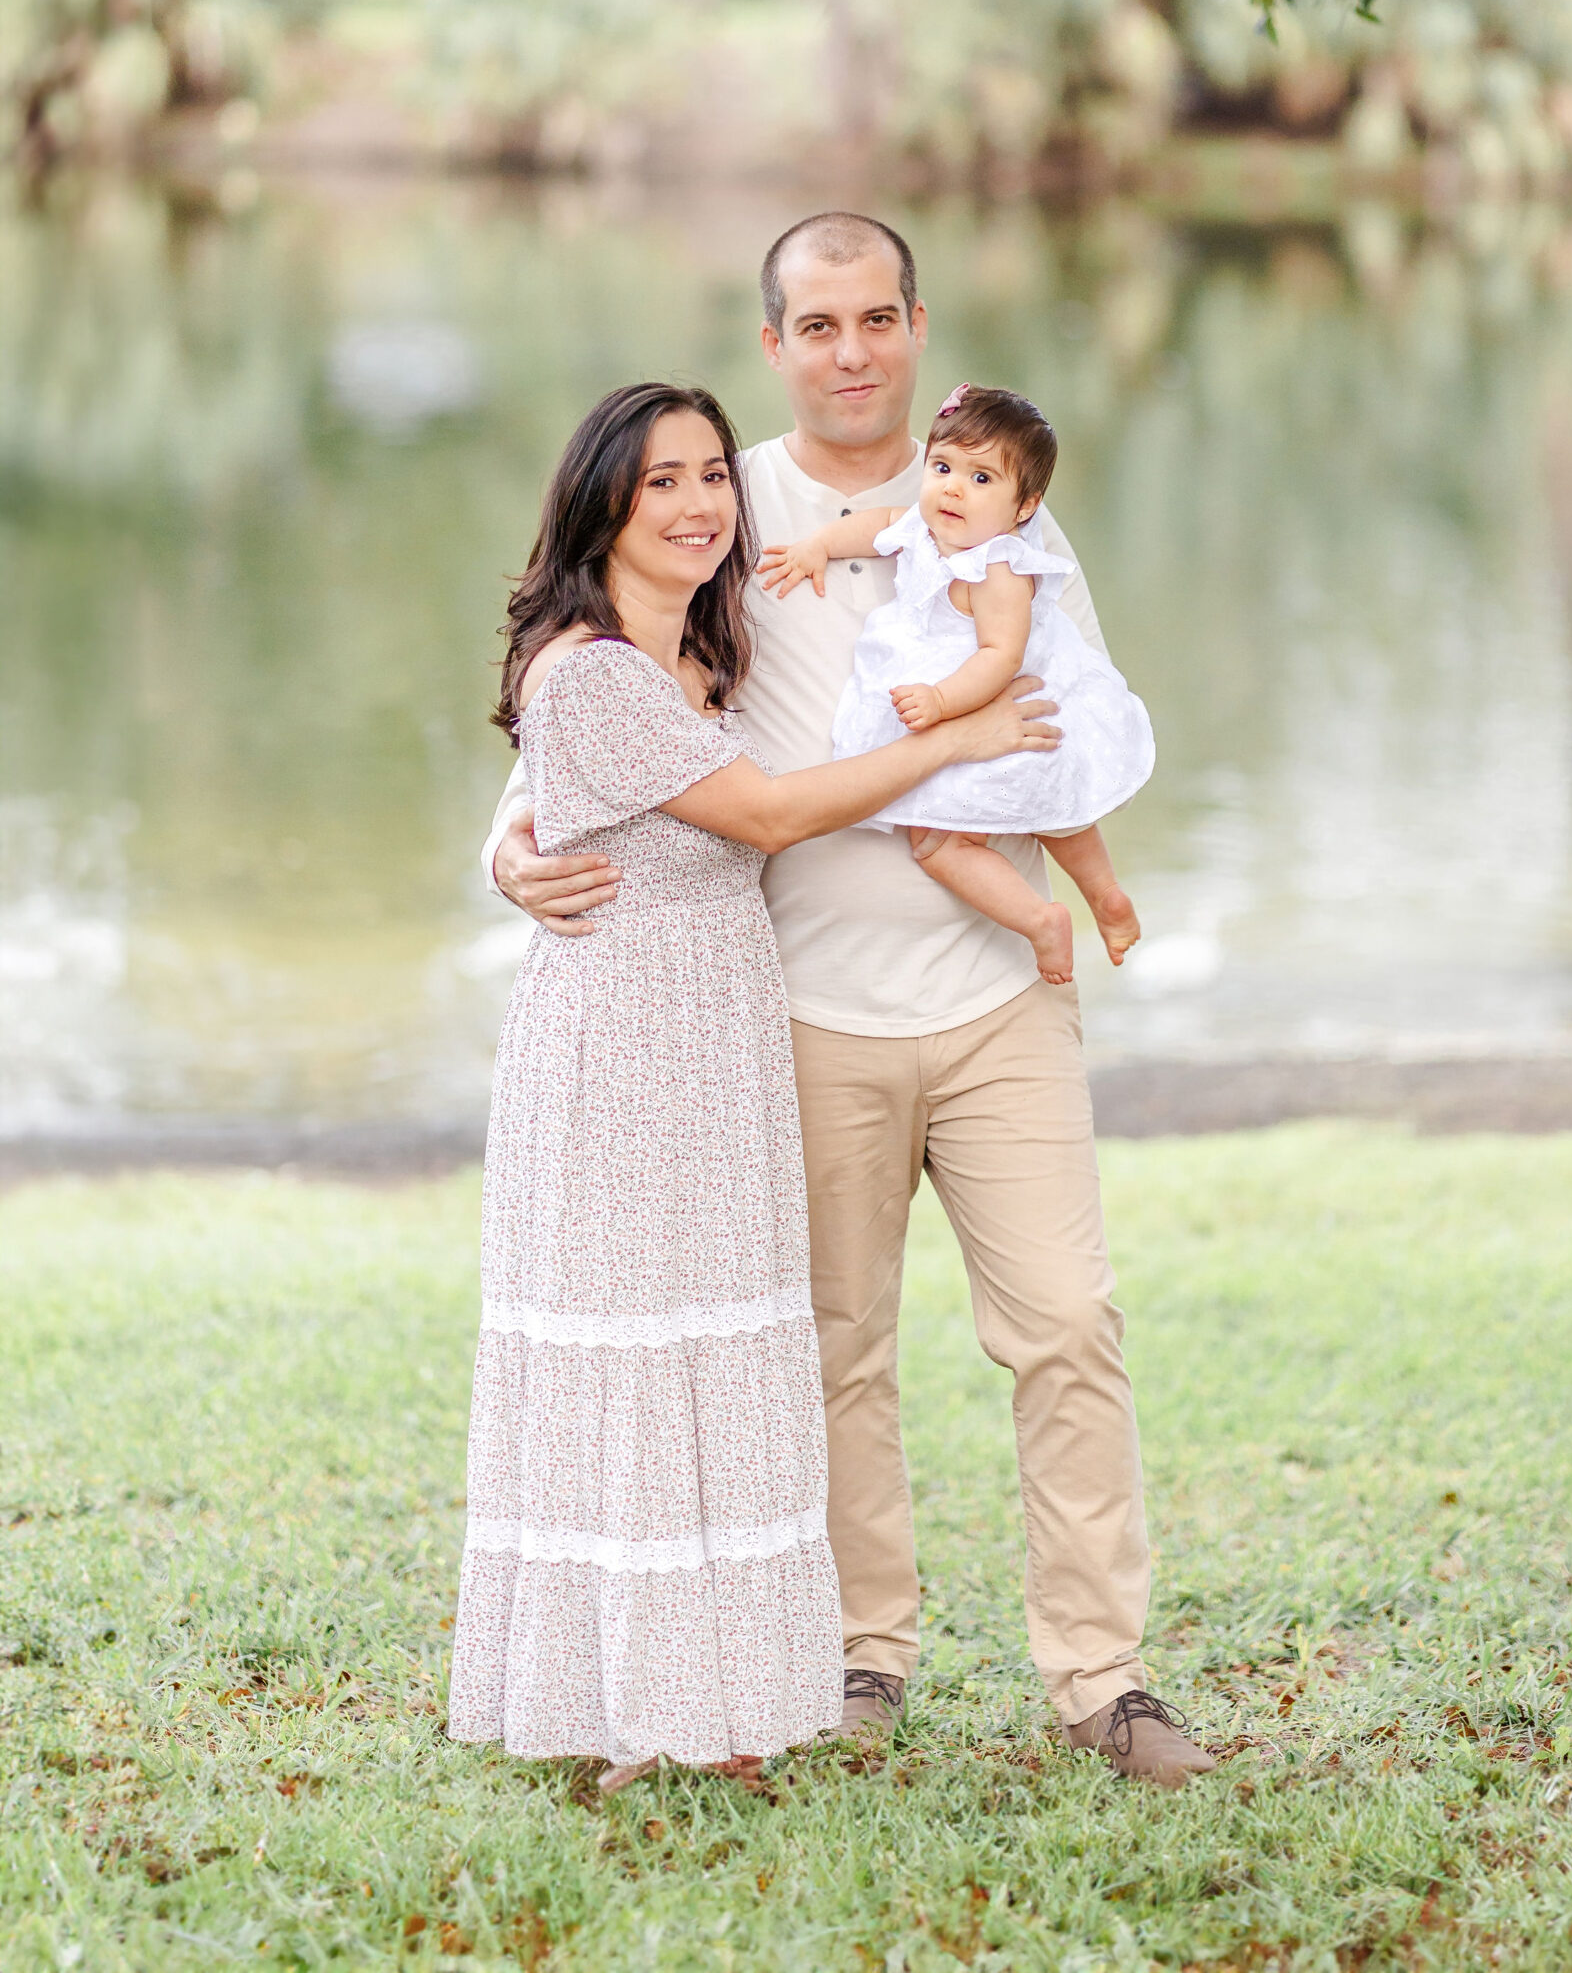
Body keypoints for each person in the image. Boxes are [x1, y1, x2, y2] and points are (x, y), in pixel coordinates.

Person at [487, 218, 1216, 1788]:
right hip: (798, 1011)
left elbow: (1062, 720)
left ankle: (1100, 1679)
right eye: (815, 325)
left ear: (914, 324)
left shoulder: (1002, 509)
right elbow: (591, 698)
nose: (851, 351)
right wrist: (506, 844)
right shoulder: (711, 500)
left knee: (1068, 1329)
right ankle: (859, 1654)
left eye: (876, 318)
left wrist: (1070, 882)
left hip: (996, 997)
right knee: (833, 1350)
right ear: (774, 344)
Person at [448, 379, 1060, 1788]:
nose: (695, 504)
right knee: (641, 1370)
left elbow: (561, 805)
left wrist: (504, 847)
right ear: (601, 496)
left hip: (718, 1046)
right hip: (622, 1055)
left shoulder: (693, 658)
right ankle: (629, 1718)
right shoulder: (591, 669)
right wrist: (953, 741)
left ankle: (708, 1709)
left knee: (717, 1362)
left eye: (712, 476)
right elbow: (770, 815)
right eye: (659, 479)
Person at [758, 379, 1154, 987]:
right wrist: (818, 545)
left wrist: (941, 702)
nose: (953, 488)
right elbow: (876, 524)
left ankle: (1048, 918)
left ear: (1026, 507)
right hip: (975, 710)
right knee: (1054, 810)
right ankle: (1102, 897)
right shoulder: (925, 529)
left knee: (948, 843)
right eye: (942, 466)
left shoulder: (997, 565)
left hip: (1003, 702)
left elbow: (1001, 655)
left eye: (981, 478)